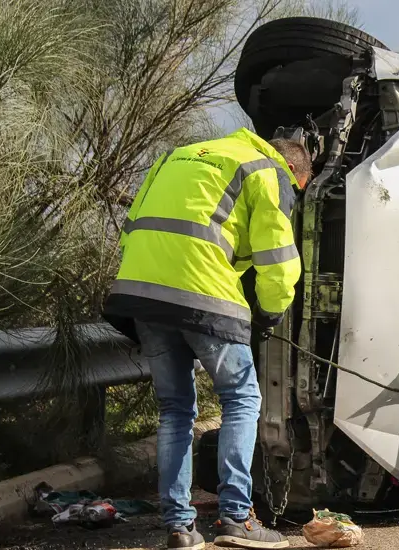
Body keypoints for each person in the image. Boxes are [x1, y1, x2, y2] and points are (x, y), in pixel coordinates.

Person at [103, 127, 312, 550]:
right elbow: (279, 261)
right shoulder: (267, 170)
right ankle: (237, 519)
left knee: (175, 409)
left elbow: (131, 231)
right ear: (294, 170)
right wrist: (268, 314)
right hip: (205, 293)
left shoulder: (174, 156)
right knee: (242, 398)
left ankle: (180, 528)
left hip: (141, 293)